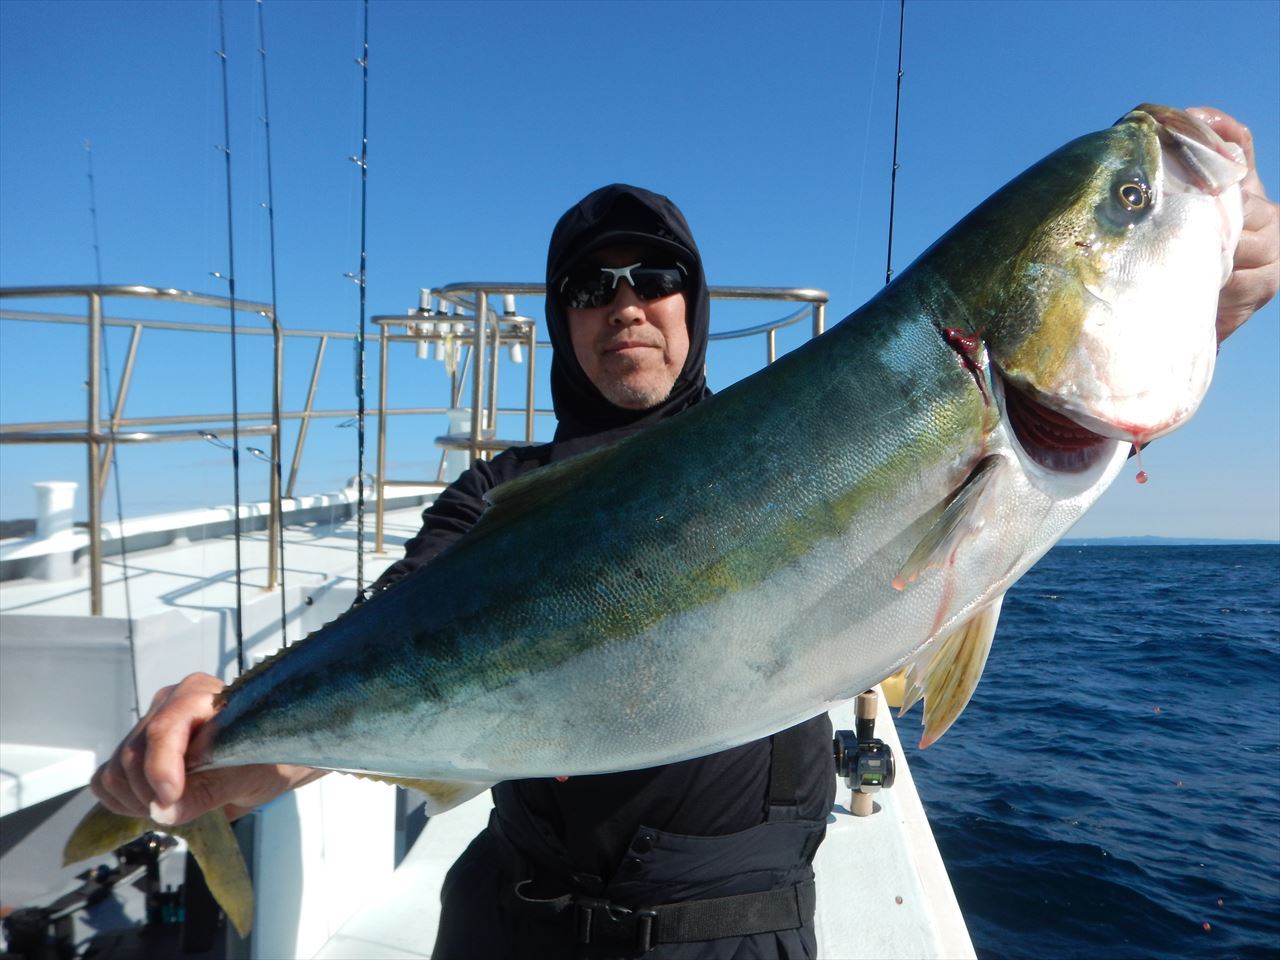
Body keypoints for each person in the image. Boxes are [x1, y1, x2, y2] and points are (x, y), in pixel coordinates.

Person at [90, 109, 1279, 959]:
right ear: (561, 324)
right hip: (513, 924)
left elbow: (1077, 395)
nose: (625, 305)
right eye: (589, 286)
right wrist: (216, 736)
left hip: (735, 931)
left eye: (653, 275)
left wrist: (1196, 292)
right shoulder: (500, 497)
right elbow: (395, 651)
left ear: (692, 304)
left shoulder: (810, 430)